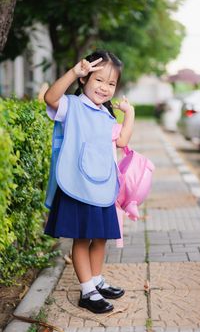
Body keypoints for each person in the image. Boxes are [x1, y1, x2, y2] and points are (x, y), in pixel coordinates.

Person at [44, 49, 135, 314]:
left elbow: (122, 142)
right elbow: (50, 97)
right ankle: (87, 291)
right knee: (83, 239)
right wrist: (74, 71)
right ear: (85, 79)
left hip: (102, 187)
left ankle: (96, 280)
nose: (105, 88)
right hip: (78, 186)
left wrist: (128, 114)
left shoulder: (107, 115)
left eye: (111, 83)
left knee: (101, 237)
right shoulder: (70, 107)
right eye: (99, 80)